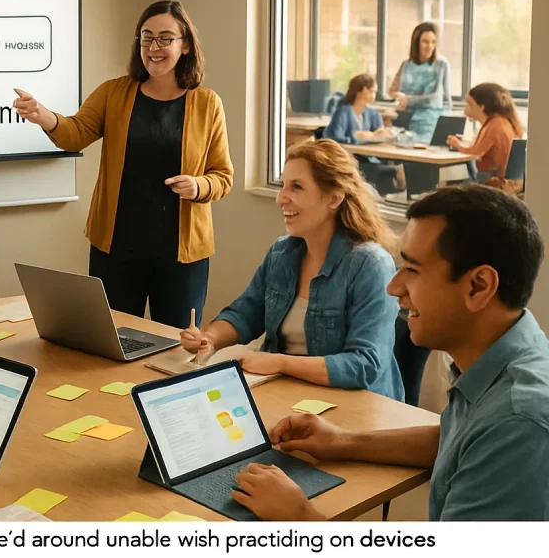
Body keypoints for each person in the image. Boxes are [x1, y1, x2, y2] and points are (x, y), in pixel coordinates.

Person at [231, 184, 549, 521]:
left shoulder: (519, 425)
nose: (393, 287)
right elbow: (458, 438)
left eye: (412, 269)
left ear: (478, 286)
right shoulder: (509, 362)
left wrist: (300, 517)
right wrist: (344, 442)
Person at [12, 0, 233, 330]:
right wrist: (44, 116)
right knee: (109, 342)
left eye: (165, 38)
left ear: (185, 45)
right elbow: (75, 134)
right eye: (146, 38)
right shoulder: (114, 93)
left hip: (181, 257)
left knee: (174, 350)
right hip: (116, 250)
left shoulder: (206, 103)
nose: (154, 47)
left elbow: (223, 176)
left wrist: (199, 186)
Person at [179, 139, 403, 400]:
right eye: (283, 185)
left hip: (353, 407)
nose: (281, 198)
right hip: (288, 396)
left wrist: (279, 363)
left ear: (334, 198)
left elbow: (364, 366)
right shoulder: (282, 253)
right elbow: (246, 312)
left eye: (296, 187)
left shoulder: (370, 265)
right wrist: (209, 338)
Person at [323, 74, 398, 195]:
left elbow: (377, 135)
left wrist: (383, 134)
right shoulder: (343, 112)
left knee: (395, 170)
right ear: (360, 91)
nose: (374, 95)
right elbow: (335, 139)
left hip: (371, 159)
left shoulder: (372, 113)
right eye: (371, 91)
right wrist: (358, 137)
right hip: (351, 161)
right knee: (387, 172)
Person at [446, 82, 522, 183]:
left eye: (469, 104)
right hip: (494, 176)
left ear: (482, 107)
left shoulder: (495, 125)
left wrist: (457, 145)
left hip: (491, 180)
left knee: (449, 179)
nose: (465, 109)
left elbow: (477, 152)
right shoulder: (500, 122)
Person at [389, 22, 452, 144]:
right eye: (425, 42)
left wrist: (408, 99)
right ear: (416, 42)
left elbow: (438, 97)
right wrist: (399, 97)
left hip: (429, 120)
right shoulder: (406, 64)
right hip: (405, 118)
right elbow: (392, 90)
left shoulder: (441, 64)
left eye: (433, 42)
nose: (429, 46)